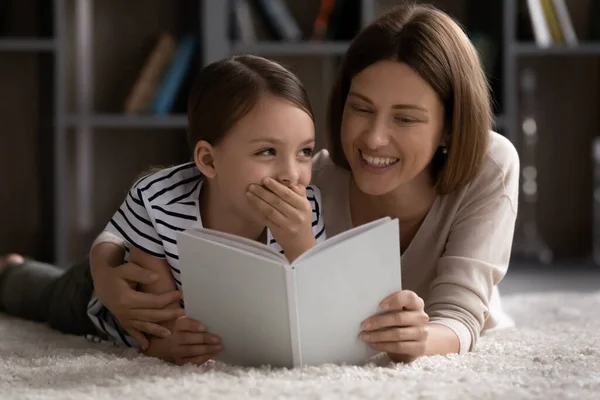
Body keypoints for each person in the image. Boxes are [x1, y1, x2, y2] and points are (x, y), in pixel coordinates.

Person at [2, 3, 519, 364]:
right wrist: (105, 273)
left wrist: (421, 339)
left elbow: (459, 315)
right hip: (143, 280)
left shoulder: (490, 166)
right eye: (360, 109)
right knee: (57, 293)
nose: (374, 138)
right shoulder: (307, 178)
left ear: (450, 125)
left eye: (406, 119)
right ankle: (14, 274)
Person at [0, 54, 326, 366]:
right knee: (43, 297)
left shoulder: (305, 209)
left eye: (304, 152)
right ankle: (11, 270)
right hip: (101, 294)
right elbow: (156, 327)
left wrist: (301, 244)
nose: (291, 173)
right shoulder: (161, 201)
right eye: (268, 151)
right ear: (209, 161)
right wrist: (165, 343)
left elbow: (315, 308)